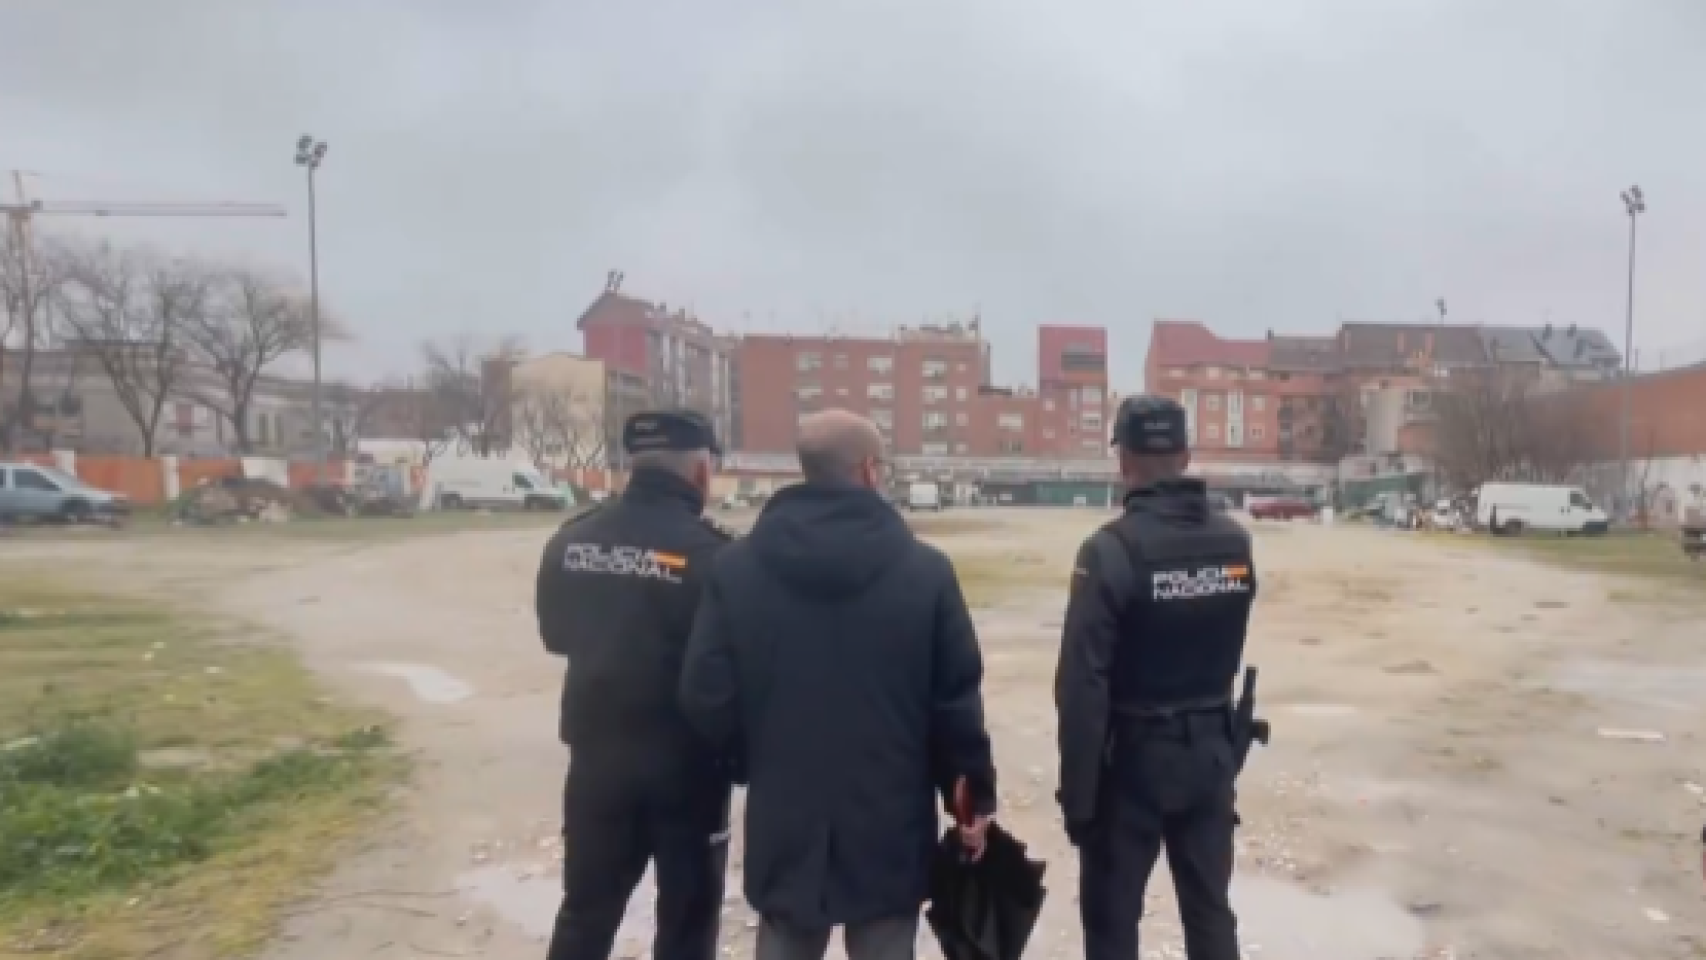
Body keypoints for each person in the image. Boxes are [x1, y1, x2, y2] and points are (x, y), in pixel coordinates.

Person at [679, 408, 997, 960]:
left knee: (783, 940)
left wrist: (750, 762)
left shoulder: (735, 570)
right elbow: (955, 706)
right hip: (891, 820)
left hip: (785, 812)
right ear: (870, 471)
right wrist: (970, 804)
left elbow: (704, 693)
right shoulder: (926, 573)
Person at [1055, 395, 1259, 960]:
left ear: (1124, 461)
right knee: (1210, 914)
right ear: (1186, 454)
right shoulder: (1234, 544)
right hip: (1210, 756)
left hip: (1132, 766)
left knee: (1112, 924)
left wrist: (1078, 801)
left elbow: (1081, 686)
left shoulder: (1109, 553)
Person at [536, 409, 737, 960]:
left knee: (584, 914)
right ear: (700, 473)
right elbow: (727, 670)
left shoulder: (570, 542)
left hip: (597, 763)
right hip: (687, 770)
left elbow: (555, 637)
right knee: (686, 925)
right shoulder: (716, 556)